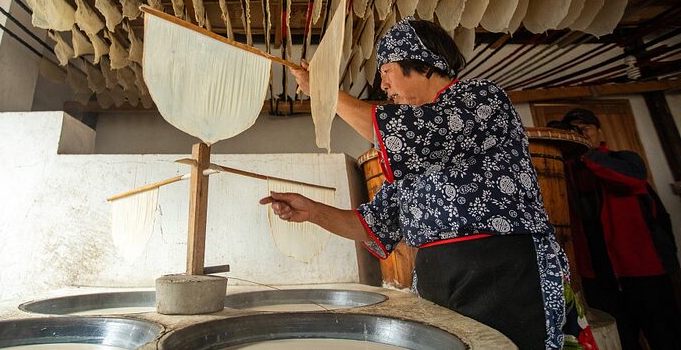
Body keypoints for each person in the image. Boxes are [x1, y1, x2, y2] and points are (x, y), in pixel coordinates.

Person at [261, 18, 593, 349]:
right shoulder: (410, 153)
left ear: (423, 65)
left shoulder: (481, 99)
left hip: (503, 270)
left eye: (387, 71)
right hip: (438, 277)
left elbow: (413, 133)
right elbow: (372, 224)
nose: (383, 85)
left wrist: (323, 91)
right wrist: (311, 211)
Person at [560, 108, 680, 350]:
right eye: (575, 130)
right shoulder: (568, 171)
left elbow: (632, 180)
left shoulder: (624, 160)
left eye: (586, 128)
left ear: (599, 131)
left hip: (642, 269)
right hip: (598, 275)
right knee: (620, 341)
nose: (581, 133)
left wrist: (586, 152)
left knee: (665, 336)